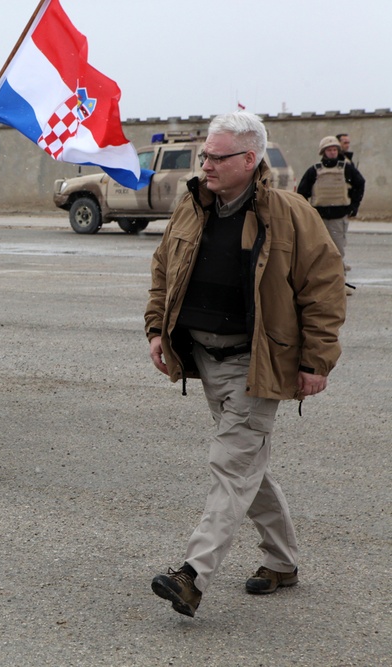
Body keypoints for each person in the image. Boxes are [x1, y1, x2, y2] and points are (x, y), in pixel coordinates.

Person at [146, 111, 346, 617]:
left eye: (217, 156)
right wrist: (155, 329)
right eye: (205, 155)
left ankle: (191, 575)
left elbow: (324, 289)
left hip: (256, 361)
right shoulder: (193, 206)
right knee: (248, 464)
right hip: (202, 358)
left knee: (231, 464)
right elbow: (163, 269)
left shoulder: (291, 213)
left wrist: (317, 360)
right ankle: (282, 562)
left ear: (249, 160)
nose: (206, 165)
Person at [296, 136, 365, 276]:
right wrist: (306, 212)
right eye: (329, 150)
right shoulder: (314, 170)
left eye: (334, 149)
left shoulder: (346, 169)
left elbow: (360, 184)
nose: (332, 152)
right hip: (319, 217)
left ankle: (340, 284)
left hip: (338, 217)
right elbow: (302, 192)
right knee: (318, 251)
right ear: (323, 152)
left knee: (337, 251)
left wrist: (353, 206)